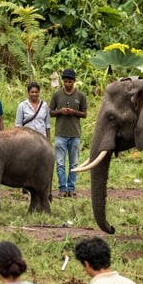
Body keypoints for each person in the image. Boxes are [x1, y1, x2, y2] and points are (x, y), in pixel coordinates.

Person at [49, 68, 87, 197]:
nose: (67, 84)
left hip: (75, 134)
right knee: (60, 163)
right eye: (65, 81)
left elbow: (84, 114)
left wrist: (73, 112)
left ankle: (71, 188)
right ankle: (62, 188)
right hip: (60, 133)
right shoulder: (56, 95)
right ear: (62, 81)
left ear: (74, 81)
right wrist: (60, 111)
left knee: (74, 163)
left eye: (70, 81)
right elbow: (51, 112)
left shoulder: (81, 96)